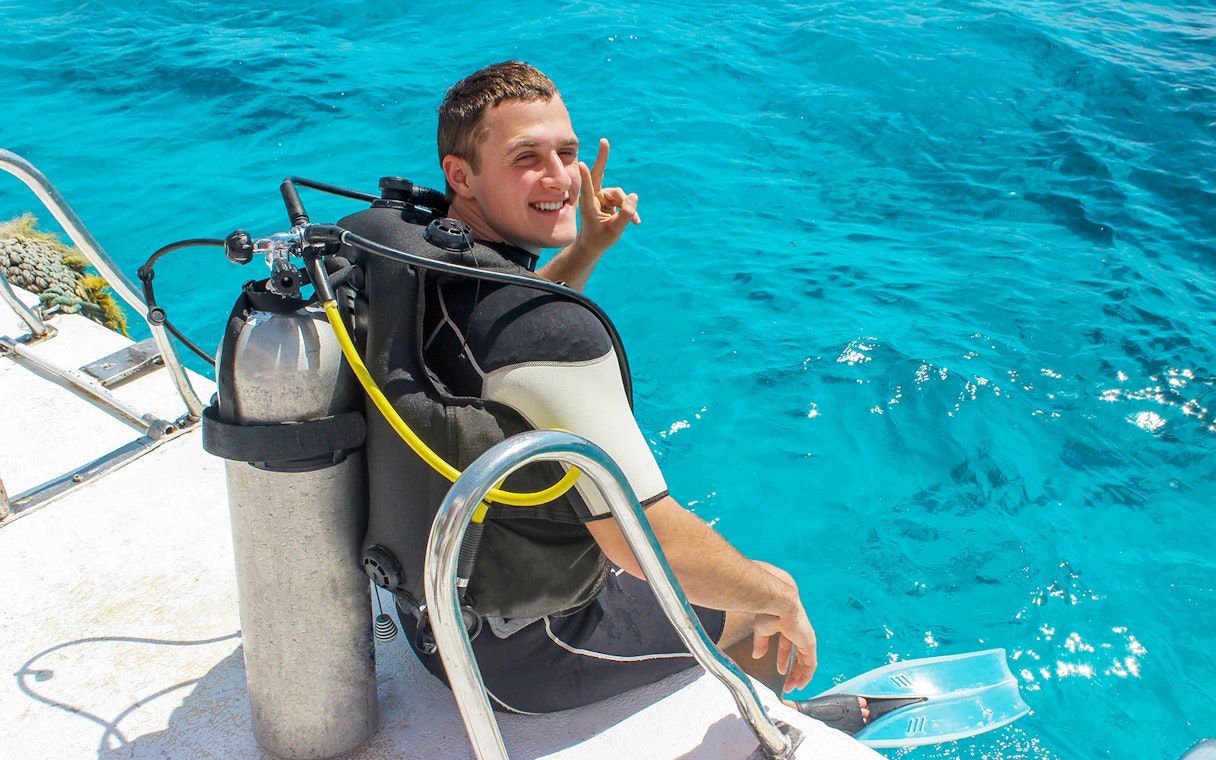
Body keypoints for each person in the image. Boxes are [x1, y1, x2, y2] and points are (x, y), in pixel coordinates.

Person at [405, 59, 867, 729]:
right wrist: (778, 592)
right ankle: (772, 728)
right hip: (516, 657)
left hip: (430, 617)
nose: (561, 177)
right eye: (525, 157)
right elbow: (639, 538)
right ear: (462, 175)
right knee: (756, 602)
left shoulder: (419, 265)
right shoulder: (553, 339)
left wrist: (586, 248)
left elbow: (504, 354)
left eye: (567, 153)